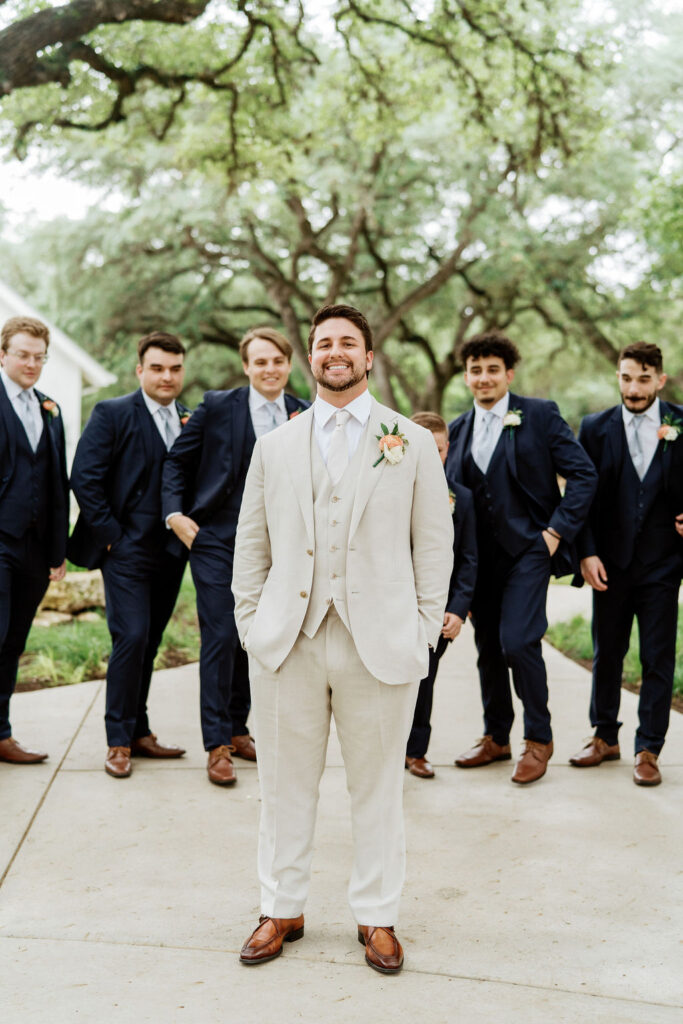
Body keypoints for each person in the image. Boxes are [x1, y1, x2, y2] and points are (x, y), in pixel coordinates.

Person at [233, 303, 453, 974]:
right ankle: (281, 907)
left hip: (379, 644)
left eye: (347, 342)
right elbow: (250, 545)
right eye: (323, 342)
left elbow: (433, 545)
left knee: (376, 788)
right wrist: (251, 623)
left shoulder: (408, 442)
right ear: (311, 356)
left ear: (366, 356)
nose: (335, 351)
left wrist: (420, 630)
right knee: (283, 785)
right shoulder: (275, 445)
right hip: (286, 643)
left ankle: (377, 916)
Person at [447, 331, 597, 784]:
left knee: (518, 641)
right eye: (476, 370)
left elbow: (583, 475)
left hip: (529, 552)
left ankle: (539, 739)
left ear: (509, 374)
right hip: (478, 562)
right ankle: (497, 737)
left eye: (493, 369)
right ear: (467, 376)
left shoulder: (539, 415)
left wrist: (555, 532)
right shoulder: (455, 431)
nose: (484, 378)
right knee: (488, 649)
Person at [162, 327, 309, 786]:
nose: (269, 369)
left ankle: (240, 726)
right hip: (216, 538)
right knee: (221, 635)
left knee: (258, 637)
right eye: (259, 362)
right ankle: (217, 744)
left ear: (288, 365)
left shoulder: (304, 413)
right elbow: (176, 462)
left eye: (277, 361)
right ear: (247, 367)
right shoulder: (217, 406)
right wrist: (174, 514)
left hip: (279, 545)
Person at [68, 332, 190, 779]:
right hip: (125, 550)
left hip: (172, 553)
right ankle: (117, 740)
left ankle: (140, 731)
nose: (166, 376)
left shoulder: (189, 417)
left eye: (175, 369)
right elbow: (85, 477)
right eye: (157, 368)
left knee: (151, 642)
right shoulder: (113, 412)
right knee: (132, 637)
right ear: (140, 370)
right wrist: (113, 538)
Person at [570, 341, 683, 786]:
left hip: (663, 564)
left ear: (660, 379)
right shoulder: (594, 427)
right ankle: (605, 737)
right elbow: (583, 496)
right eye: (625, 378)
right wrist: (585, 551)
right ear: (617, 376)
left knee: (658, 657)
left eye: (642, 379)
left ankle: (648, 748)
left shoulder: (680, 423)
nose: (633, 388)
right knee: (606, 654)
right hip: (609, 563)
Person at [0, 316, 68, 765]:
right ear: (2, 354)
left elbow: (57, 480)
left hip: (35, 547)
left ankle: (1, 733)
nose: (31, 364)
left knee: (13, 643)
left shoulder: (49, 407)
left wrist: (58, 552)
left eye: (39, 357)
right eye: (23, 354)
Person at [404, 412, 477, 779]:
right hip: (394, 605)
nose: (432, 457)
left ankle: (416, 751)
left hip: (438, 610)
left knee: (424, 678)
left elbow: (468, 559)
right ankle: (385, 750)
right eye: (424, 449)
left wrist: (458, 610)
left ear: (448, 450)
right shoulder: (390, 490)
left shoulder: (461, 498)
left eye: (439, 449)